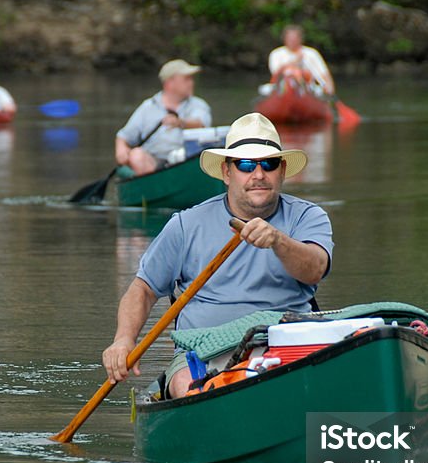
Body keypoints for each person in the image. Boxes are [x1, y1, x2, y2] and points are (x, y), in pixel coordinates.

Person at [103, 112, 333, 398]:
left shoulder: (308, 217)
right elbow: (144, 289)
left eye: (269, 164)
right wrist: (124, 340)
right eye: (246, 165)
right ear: (227, 172)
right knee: (192, 389)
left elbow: (315, 269)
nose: (258, 174)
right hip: (203, 355)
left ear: (282, 170)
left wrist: (278, 241)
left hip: (288, 347)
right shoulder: (185, 225)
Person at [115, 59, 212, 176]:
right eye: (186, 79)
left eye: (191, 79)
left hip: (188, 161)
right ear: (169, 83)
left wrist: (180, 123)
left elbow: (201, 124)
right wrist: (121, 149)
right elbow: (123, 137)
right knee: (136, 154)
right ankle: (151, 188)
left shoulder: (198, 105)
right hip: (155, 163)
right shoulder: (148, 107)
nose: (191, 83)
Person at [267, 25, 334, 96]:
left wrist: (330, 89)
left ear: (301, 39)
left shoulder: (311, 53)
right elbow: (276, 72)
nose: (292, 41)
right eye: (290, 38)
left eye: (295, 38)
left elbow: (324, 73)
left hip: (307, 88)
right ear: (284, 39)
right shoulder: (276, 54)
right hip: (283, 88)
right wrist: (295, 62)